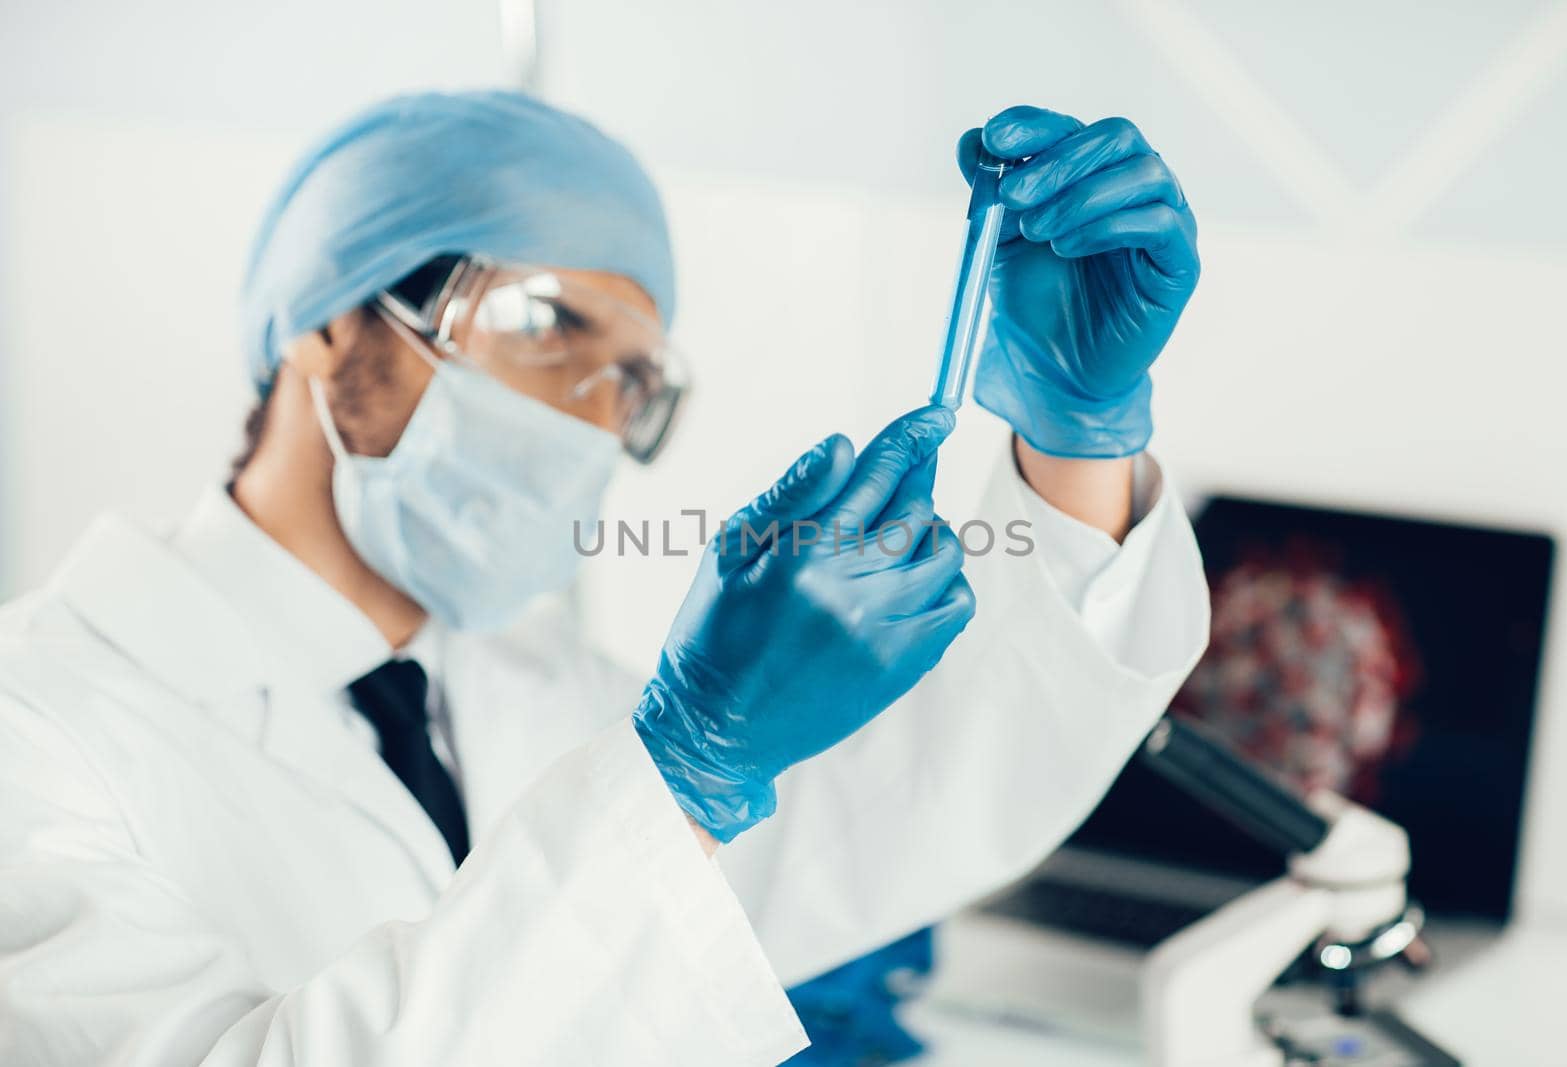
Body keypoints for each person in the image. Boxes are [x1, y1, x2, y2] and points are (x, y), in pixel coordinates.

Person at [0, 91, 1207, 1065]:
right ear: (329, 318)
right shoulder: (37, 727)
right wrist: (689, 765)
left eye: (633, 380)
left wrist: (1079, 431)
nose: (591, 415)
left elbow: (910, 802)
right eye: (548, 326)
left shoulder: (538, 692)